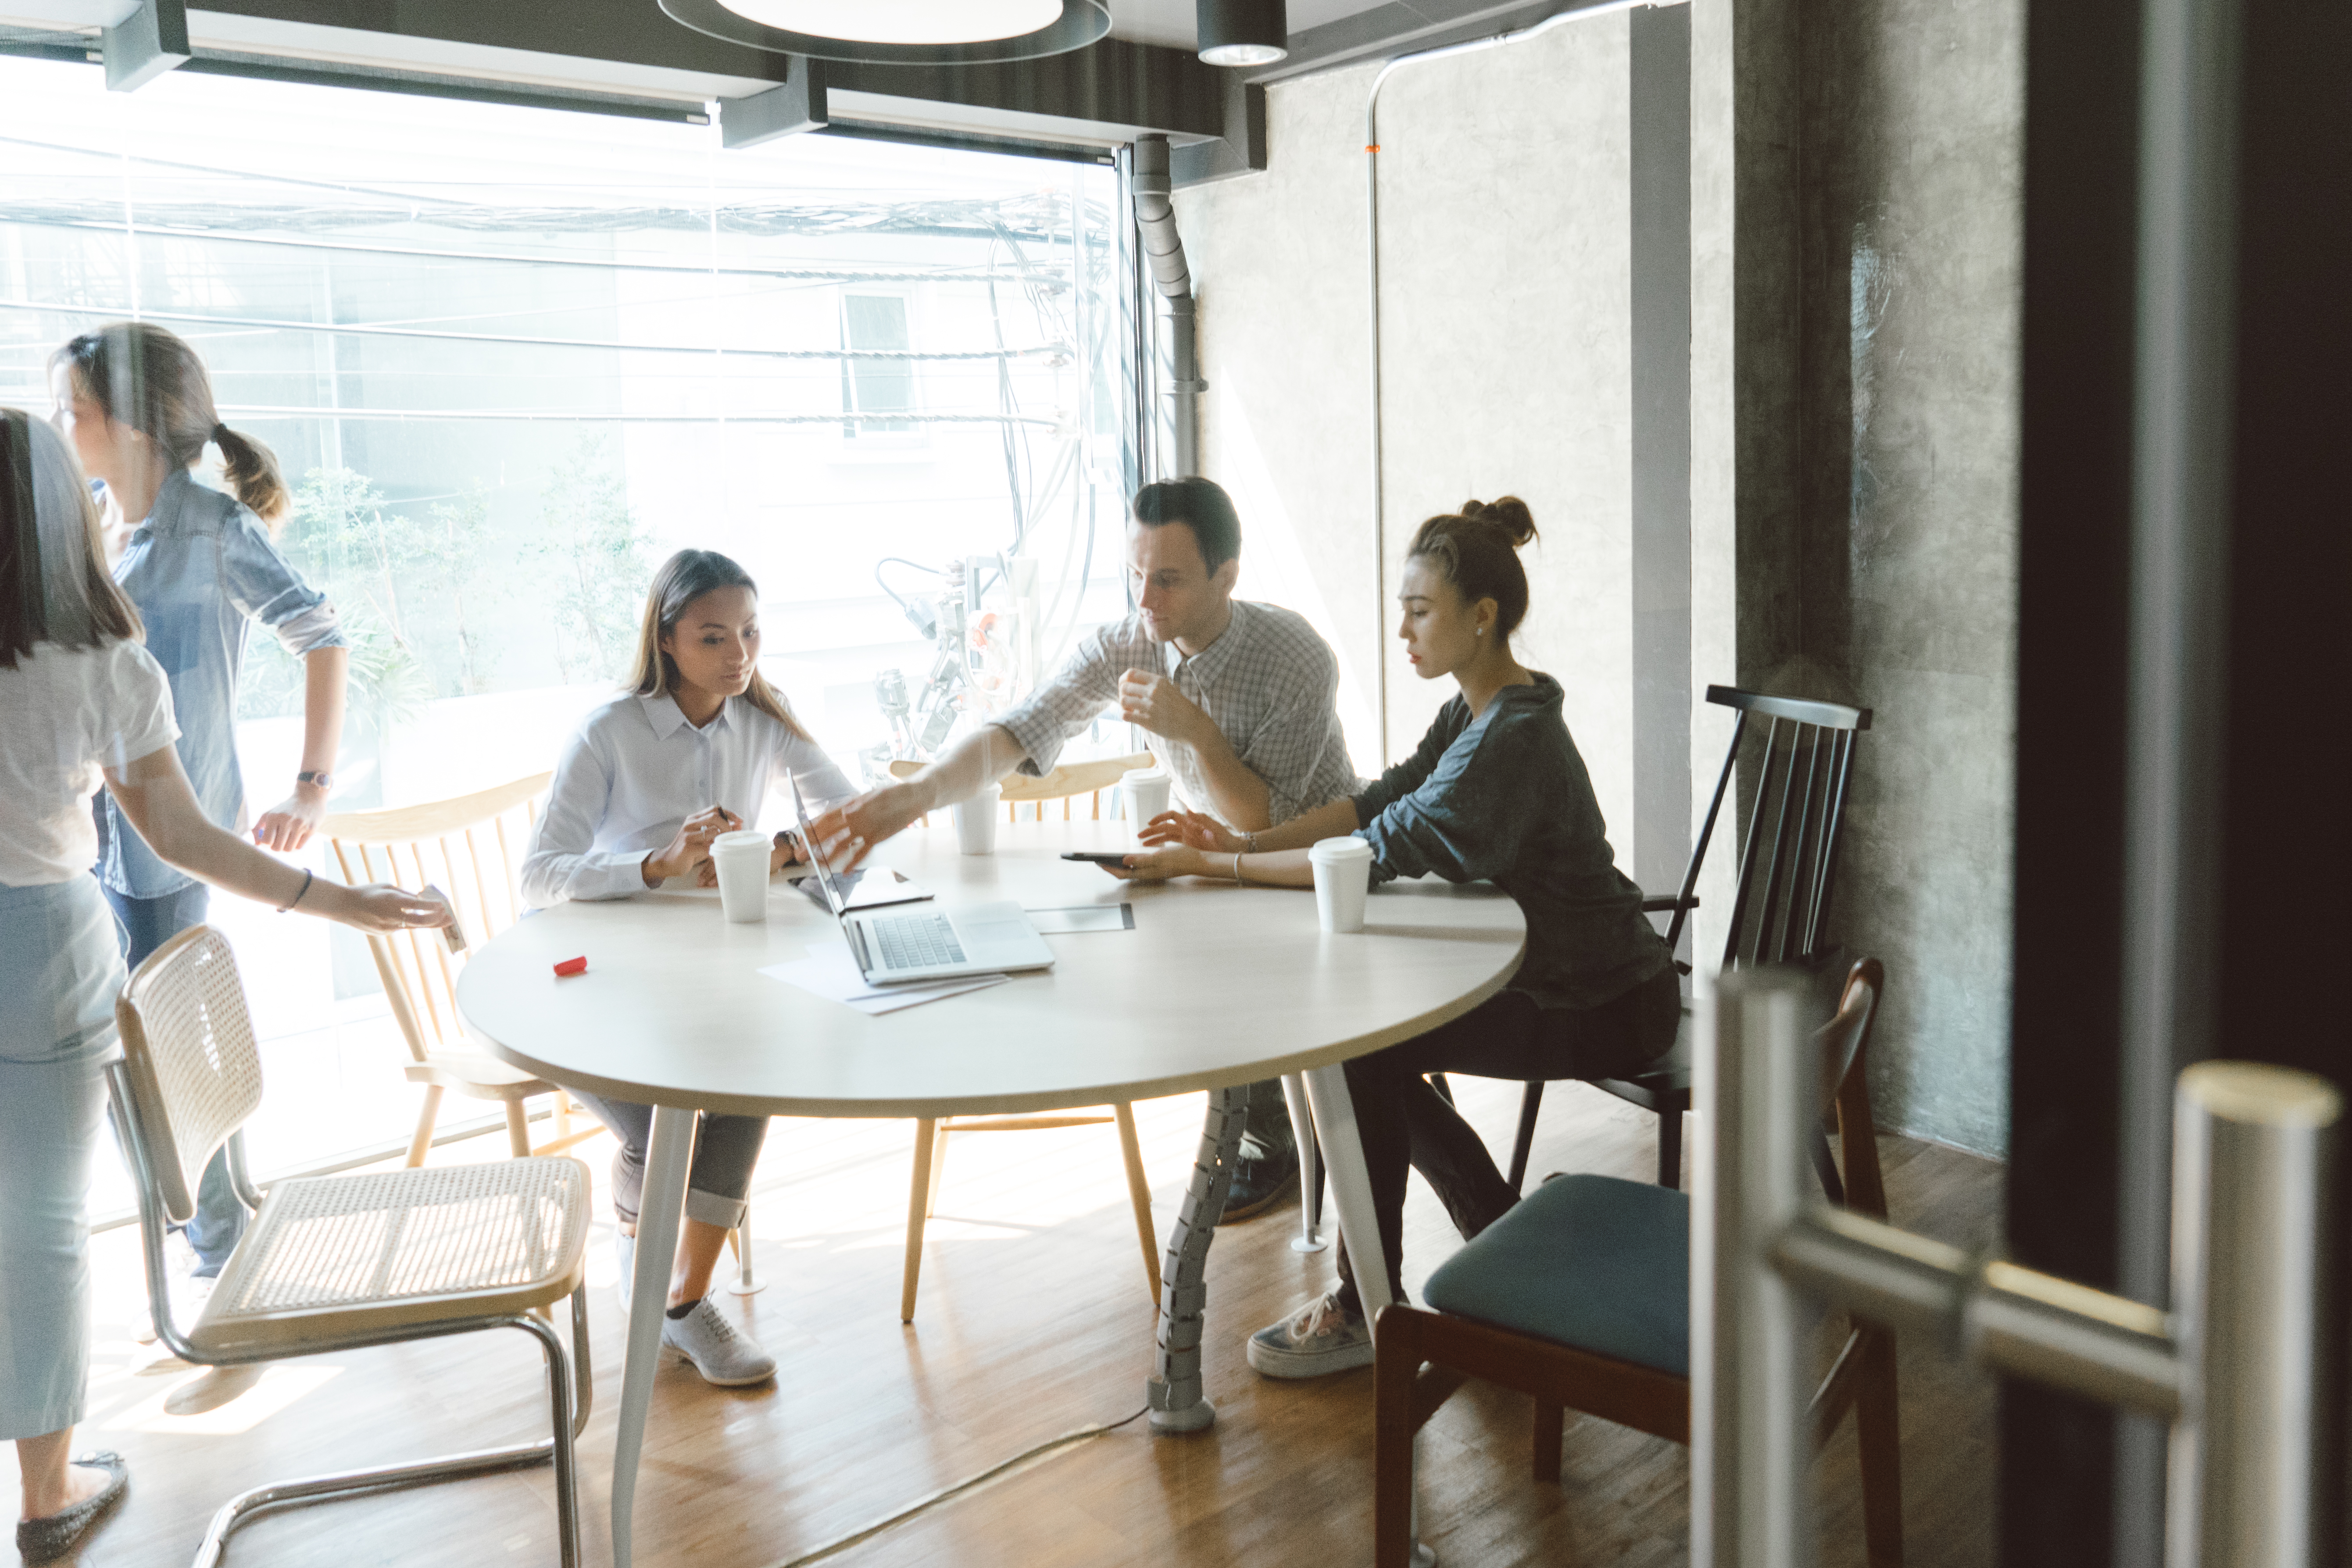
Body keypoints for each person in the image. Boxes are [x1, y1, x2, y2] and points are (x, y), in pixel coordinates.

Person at [0, 410, 446, 1564]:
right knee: (42, 1231)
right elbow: (186, 839)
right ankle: (47, 1491)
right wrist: (340, 900)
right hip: (43, 947)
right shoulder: (102, 663)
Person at [1110, 497, 1679, 1379]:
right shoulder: (1481, 709)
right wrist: (1244, 843)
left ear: (1480, 618)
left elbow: (1376, 850)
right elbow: (1386, 799)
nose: (1402, 631)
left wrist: (1209, 867)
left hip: (1603, 1001)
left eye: (1419, 611)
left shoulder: (1512, 739)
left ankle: (1366, 1301)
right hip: (1562, 975)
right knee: (1364, 1051)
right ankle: (1491, 1237)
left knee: (1358, 1052)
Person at [811, 478, 1358, 1218]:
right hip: (1218, 858)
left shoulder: (1294, 656)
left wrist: (1191, 729)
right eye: (1135, 574)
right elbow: (1021, 730)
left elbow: (1263, 822)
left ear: (1227, 576)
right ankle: (1266, 1121)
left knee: (1217, 965)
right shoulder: (1127, 642)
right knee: (1145, 947)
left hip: (1315, 859)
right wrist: (914, 797)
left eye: (1167, 580)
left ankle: (1280, 1132)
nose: (1145, 600)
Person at [50, 322, 350, 1297]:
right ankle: (224, 1225)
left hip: (179, 841)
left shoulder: (214, 529)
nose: (63, 424)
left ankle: (217, 1240)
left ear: (132, 426)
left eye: (77, 410)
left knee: (164, 1041)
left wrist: (310, 785)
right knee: (142, 1045)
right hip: (88, 834)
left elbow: (321, 635)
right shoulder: (90, 518)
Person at [521, 548, 853, 1387]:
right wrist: (656, 865)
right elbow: (536, 878)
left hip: (715, 973)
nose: (739, 655)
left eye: (749, 633)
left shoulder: (764, 723)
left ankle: (676, 1300)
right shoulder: (610, 733)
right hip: (598, 979)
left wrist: (777, 849)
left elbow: (850, 821)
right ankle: (671, 1301)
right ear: (667, 639)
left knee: (746, 1092)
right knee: (656, 1124)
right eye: (714, 637)